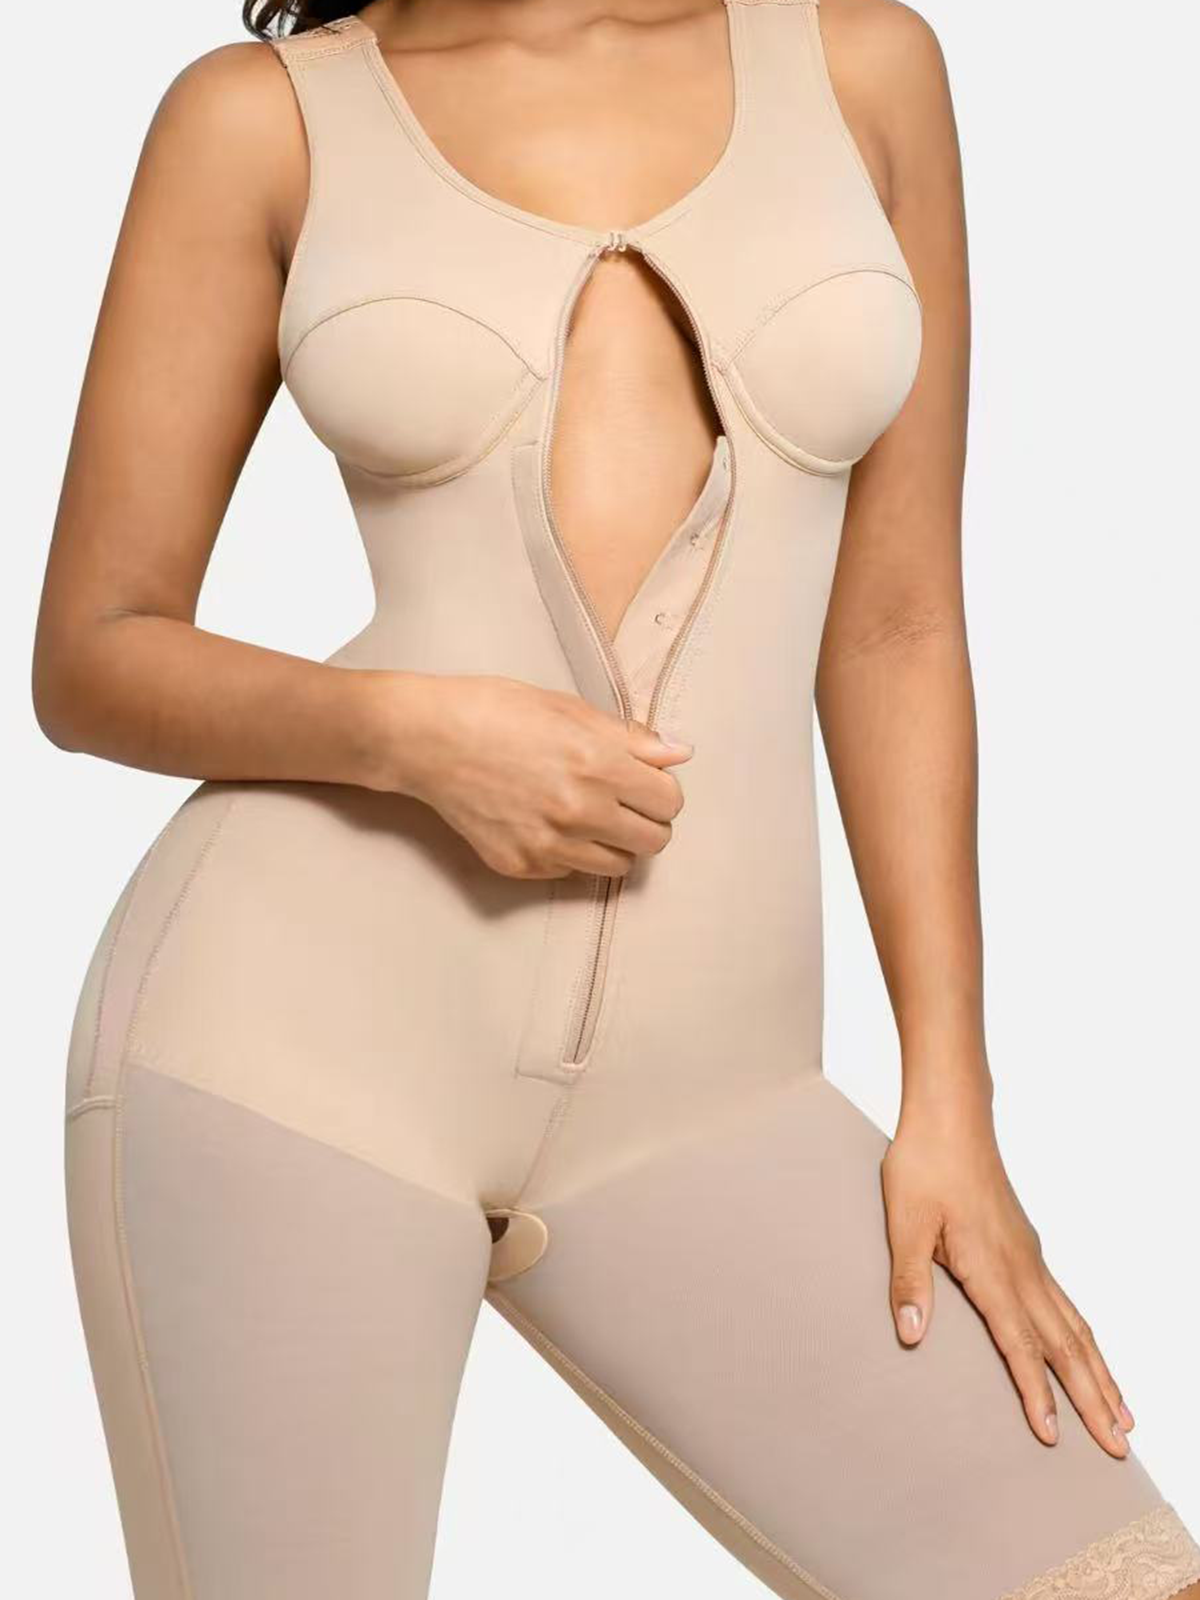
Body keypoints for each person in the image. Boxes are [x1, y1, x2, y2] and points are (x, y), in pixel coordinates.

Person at [32, 1, 1199, 1597]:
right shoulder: (264, 118)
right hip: (295, 1059)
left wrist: (952, 1100)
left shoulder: (862, 68)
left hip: (716, 1089)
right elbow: (93, 654)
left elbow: (899, 628)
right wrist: (410, 736)